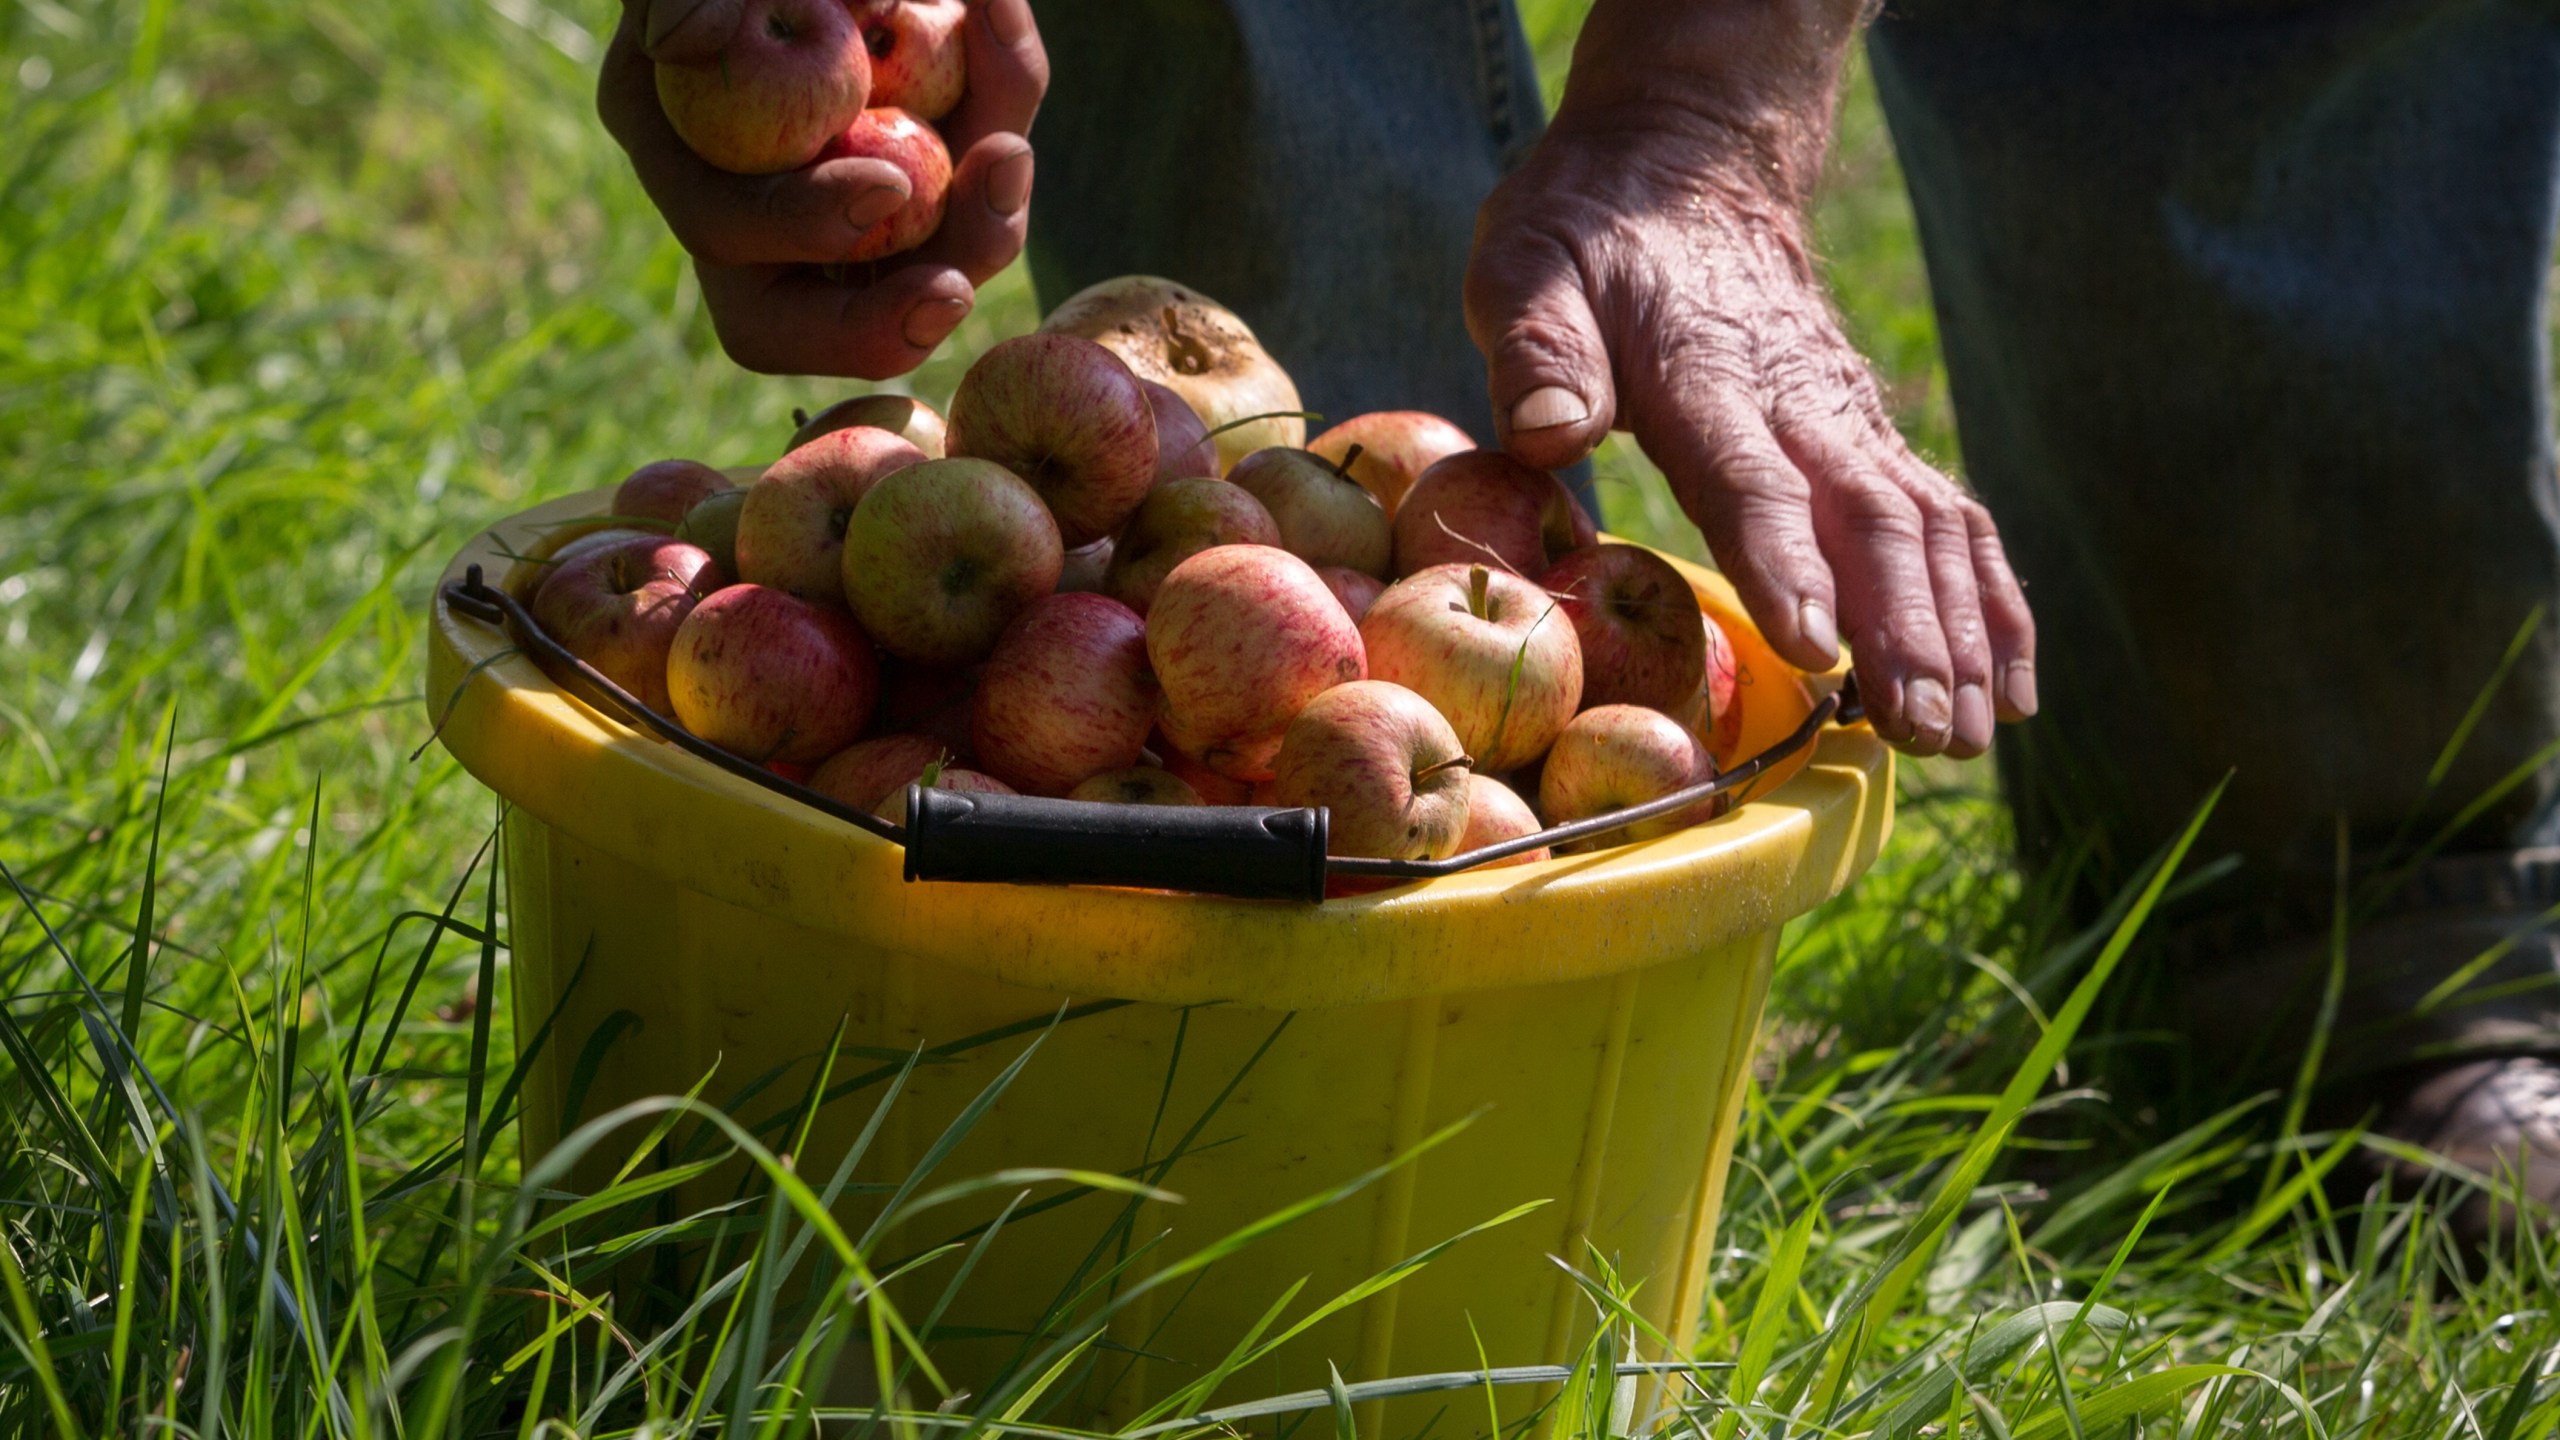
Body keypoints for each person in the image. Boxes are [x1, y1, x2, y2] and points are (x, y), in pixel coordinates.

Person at [600, 0, 2560, 1219]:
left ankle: (2351, 943)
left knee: (2223, 30)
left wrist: (1704, 102)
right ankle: (1375, 1043)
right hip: (1261, 678)